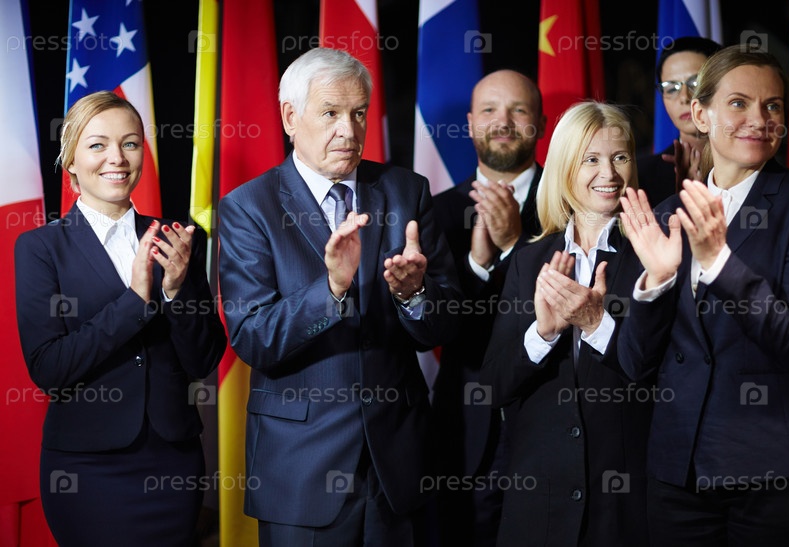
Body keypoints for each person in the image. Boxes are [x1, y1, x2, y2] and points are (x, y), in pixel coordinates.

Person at [217, 47, 461, 546]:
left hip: (399, 467)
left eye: (358, 113)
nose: (348, 131)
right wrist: (330, 289)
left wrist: (414, 294)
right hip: (301, 471)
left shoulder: (406, 192)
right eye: (330, 113)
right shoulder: (248, 208)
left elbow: (448, 322)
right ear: (290, 117)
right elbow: (253, 338)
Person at [14, 91, 227, 546]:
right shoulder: (39, 248)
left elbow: (203, 361)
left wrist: (174, 291)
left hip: (173, 463)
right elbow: (49, 369)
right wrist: (135, 300)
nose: (118, 158)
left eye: (130, 143)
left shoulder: (177, 237)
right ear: (71, 161)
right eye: (98, 145)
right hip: (87, 470)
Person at [618, 45, 789, 546]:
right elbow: (635, 363)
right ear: (700, 115)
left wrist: (720, 263)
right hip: (676, 471)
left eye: (773, 105)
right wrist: (655, 283)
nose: (759, 119)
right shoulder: (664, 214)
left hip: (770, 474)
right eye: (739, 103)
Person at [481, 101, 653, 546]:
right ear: (564, 168)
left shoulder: (654, 254)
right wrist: (542, 334)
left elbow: (660, 376)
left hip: (624, 504)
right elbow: (493, 386)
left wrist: (597, 325)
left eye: (620, 157)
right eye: (591, 159)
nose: (608, 174)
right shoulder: (529, 261)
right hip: (538, 503)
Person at [430, 69, 545, 546]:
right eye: (490, 110)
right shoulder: (433, 212)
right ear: (470, 122)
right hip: (463, 432)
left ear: (540, 122)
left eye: (518, 110)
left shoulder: (573, 204)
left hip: (550, 427)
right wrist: (478, 264)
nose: (504, 122)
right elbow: (435, 329)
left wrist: (516, 244)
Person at [637, 36, 722, 207]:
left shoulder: (752, 165)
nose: (684, 97)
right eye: (671, 88)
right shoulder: (641, 175)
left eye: (696, 84)